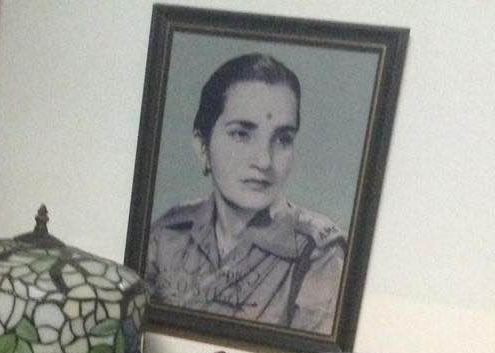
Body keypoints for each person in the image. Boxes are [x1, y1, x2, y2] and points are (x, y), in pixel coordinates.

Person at [146, 53, 347, 336]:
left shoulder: (318, 253)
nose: (264, 160)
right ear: (203, 147)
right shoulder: (168, 234)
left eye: (283, 139)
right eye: (241, 134)